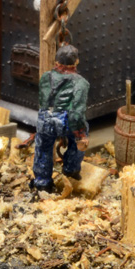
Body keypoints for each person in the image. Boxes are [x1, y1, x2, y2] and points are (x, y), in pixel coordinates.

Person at [30, 44, 90, 193]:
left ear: (56, 62)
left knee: (43, 146)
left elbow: (43, 101)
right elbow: (76, 113)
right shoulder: (81, 82)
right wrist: (80, 135)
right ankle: (71, 168)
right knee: (82, 135)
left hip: (45, 117)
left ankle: (42, 182)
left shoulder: (45, 77)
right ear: (76, 62)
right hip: (65, 119)